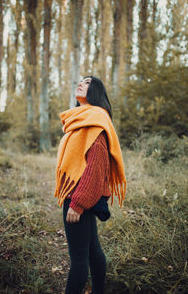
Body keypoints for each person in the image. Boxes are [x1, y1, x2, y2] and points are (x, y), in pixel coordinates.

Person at [54, 76, 126, 294]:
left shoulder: (95, 118)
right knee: (93, 251)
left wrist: (78, 202)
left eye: (86, 82)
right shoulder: (81, 118)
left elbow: (96, 166)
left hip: (78, 196)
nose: (80, 83)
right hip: (80, 194)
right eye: (80, 81)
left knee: (78, 259)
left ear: (95, 90)